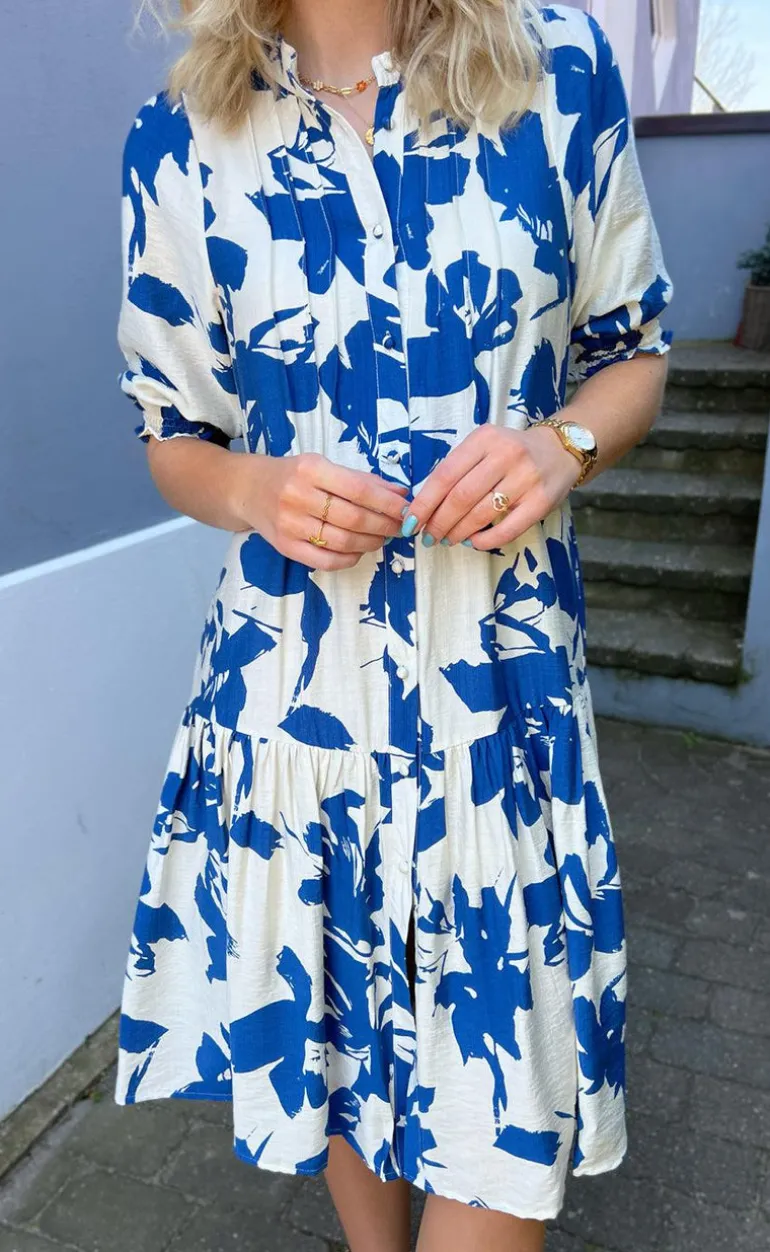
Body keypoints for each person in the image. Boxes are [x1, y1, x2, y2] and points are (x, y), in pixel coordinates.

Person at [114, 1, 672, 1248]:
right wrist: (253, 488)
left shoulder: (555, 69)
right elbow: (173, 433)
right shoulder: (182, 132)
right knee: (336, 1044)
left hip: (498, 707)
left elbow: (633, 349)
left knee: (501, 1124)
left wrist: (561, 445)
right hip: (292, 706)